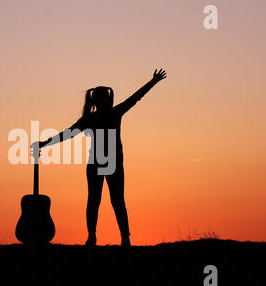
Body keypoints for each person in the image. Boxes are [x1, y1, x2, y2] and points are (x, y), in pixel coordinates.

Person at [34, 69, 167, 246]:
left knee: (116, 200)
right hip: (97, 163)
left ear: (105, 98)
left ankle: (124, 236)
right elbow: (68, 134)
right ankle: (93, 236)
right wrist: (45, 143)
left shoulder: (114, 113)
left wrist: (153, 82)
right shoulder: (90, 119)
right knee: (95, 200)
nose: (102, 100)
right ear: (95, 99)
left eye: (103, 96)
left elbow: (136, 98)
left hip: (112, 163)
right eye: (99, 97)